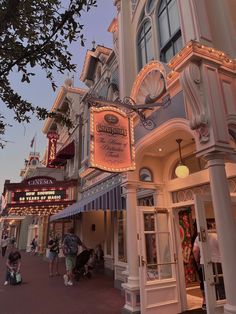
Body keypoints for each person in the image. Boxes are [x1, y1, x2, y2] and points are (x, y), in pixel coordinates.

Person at [193, 222, 225, 311]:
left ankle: (211, 306)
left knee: (208, 285)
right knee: (221, 284)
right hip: (218, 262)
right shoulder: (216, 235)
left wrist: (197, 262)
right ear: (210, 226)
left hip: (205, 263)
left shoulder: (198, 237)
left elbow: (195, 251)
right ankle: (222, 304)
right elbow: (223, 247)